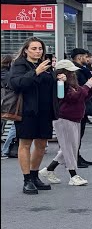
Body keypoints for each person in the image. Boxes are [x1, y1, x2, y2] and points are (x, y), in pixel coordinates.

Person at [8, 38, 57, 194]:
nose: (38, 51)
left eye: (40, 48)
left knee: (42, 144)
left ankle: (35, 175)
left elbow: (49, 86)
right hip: (27, 110)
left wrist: (59, 79)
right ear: (26, 50)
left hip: (45, 111)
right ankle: (27, 179)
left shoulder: (46, 66)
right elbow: (16, 83)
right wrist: (35, 72)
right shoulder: (19, 65)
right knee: (25, 144)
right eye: (34, 48)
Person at [38, 60, 92, 186]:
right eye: (70, 71)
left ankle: (49, 169)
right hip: (65, 118)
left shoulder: (70, 84)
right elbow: (73, 97)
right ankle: (73, 175)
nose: (73, 73)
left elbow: (81, 97)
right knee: (69, 148)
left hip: (73, 118)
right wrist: (88, 86)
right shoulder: (60, 84)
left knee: (69, 147)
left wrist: (89, 88)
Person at [67, 48, 92, 167]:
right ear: (79, 57)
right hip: (77, 105)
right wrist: (89, 85)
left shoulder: (82, 70)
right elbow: (79, 89)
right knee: (75, 135)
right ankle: (73, 158)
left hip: (82, 104)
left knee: (79, 133)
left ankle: (76, 156)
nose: (88, 59)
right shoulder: (76, 71)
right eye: (86, 57)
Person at [1, 55, 18, 158]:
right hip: (5, 102)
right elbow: (11, 84)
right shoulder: (6, 73)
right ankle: (5, 150)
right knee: (12, 127)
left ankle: (5, 150)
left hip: (4, 101)